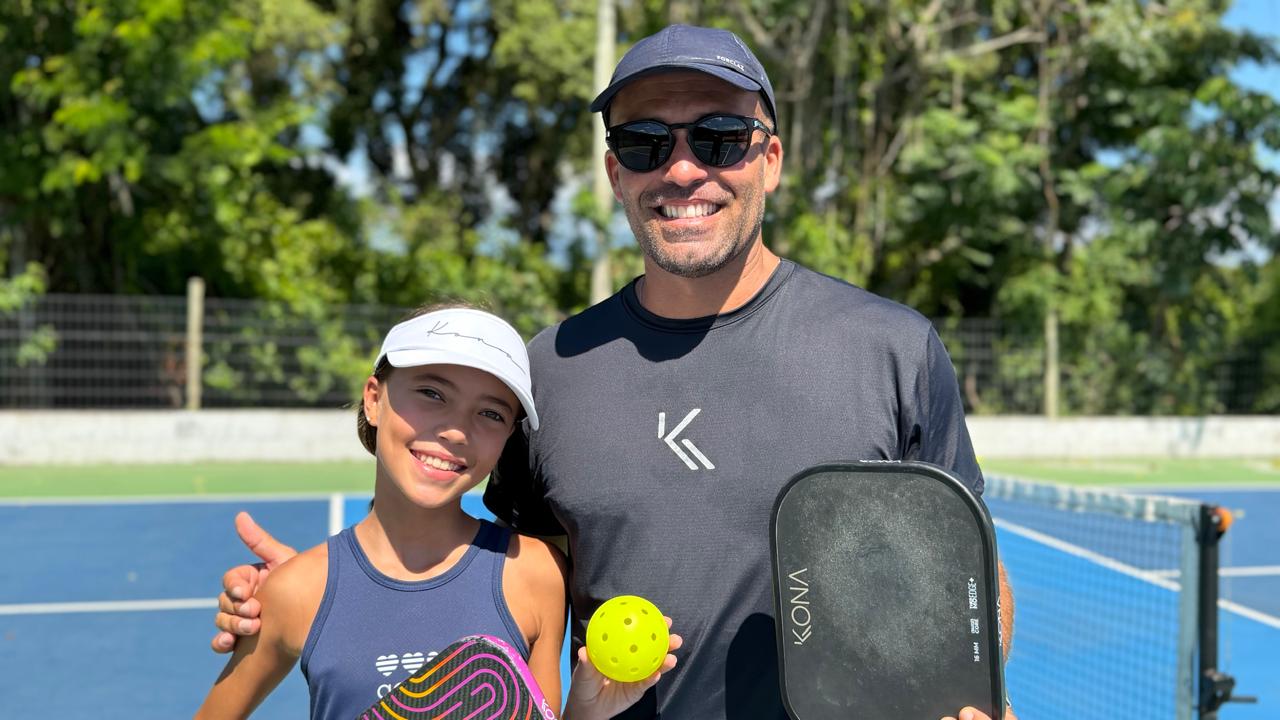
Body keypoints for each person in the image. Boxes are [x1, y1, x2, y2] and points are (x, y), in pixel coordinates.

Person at [211, 25, 1014, 720]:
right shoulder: (546, 372)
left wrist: (968, 687)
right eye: (645, 143)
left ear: (769, 160)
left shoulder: (893, 348)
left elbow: (973, 579)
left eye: (721, 138)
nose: (683, 169)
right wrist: (345, 593)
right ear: (615, 173)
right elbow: (505, 571)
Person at [196, 306, 679, 720]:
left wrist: (587, 712)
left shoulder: (535, 573)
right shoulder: (295, 591)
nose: (455, 429)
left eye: (490, 413)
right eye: (432, 393)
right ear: (374, 398)